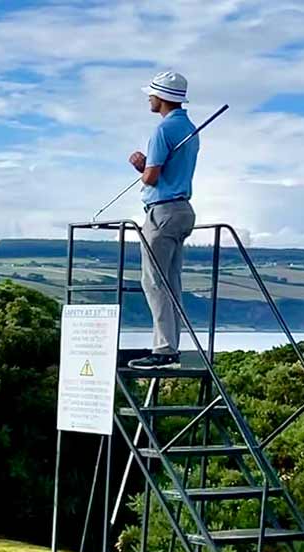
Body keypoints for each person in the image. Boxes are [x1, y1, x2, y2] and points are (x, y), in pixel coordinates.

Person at [129, 70, 200, 367]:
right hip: (183, 210)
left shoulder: (162, 131)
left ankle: (163, 349)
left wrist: (140, 166)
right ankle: (170, 346)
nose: (149, 97)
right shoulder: (190, 128)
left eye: (152, 94)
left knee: (154, 282)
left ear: (162, 97)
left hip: (162, 211)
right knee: (172, 281)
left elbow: (152, 177)